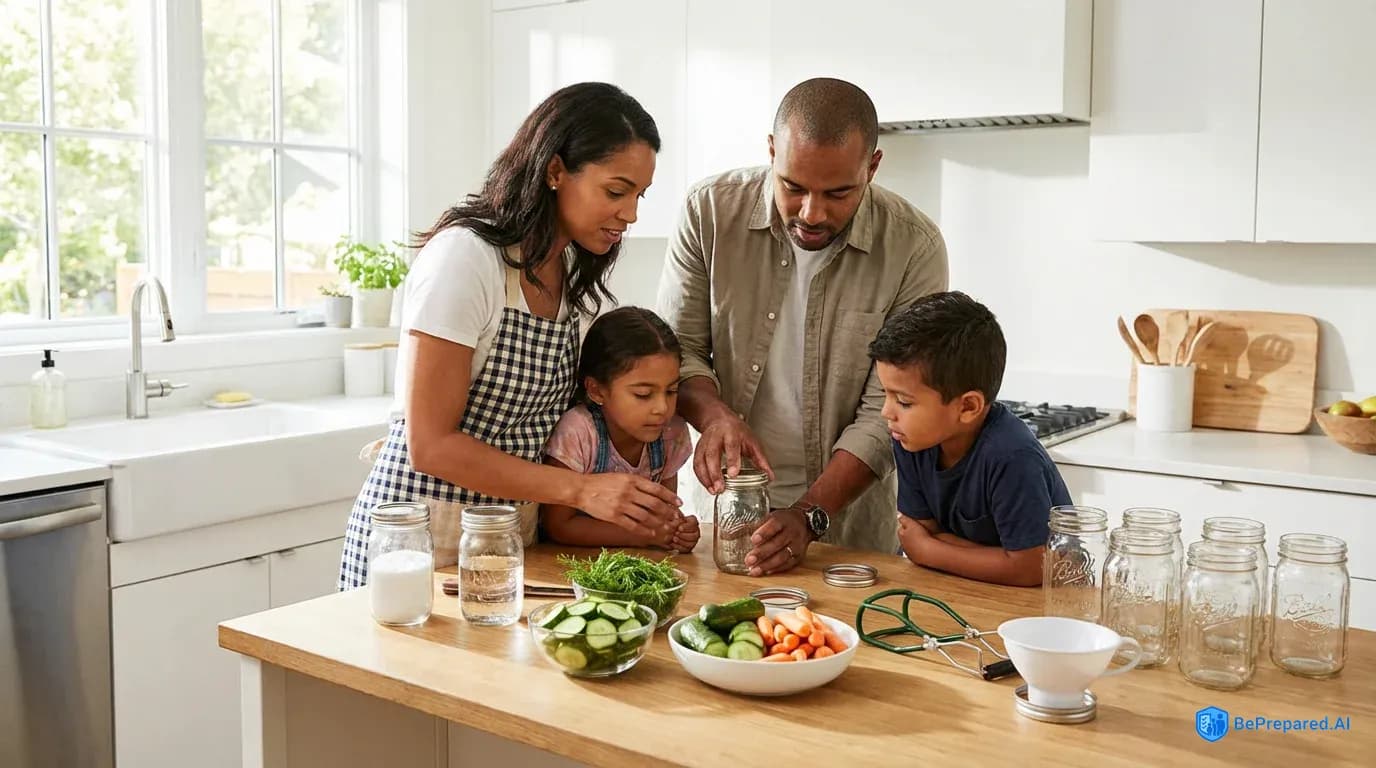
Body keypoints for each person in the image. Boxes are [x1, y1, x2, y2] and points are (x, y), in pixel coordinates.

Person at [338, 82, 682, 589]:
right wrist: (582, 491)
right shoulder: (466, 259)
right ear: (555, 171)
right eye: (615, 191)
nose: (630, 214)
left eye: (639, 196)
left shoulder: (567, 269)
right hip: (423, 539)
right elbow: (430, 446)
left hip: (510, 538)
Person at [657, 77, 948, 575]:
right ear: (772, 151)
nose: (812, 213)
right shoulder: (708, 212)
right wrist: (716, 417)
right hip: (721, 514)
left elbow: (890, 406)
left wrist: (809, 514)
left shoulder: (914, 248)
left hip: (849, 533)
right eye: (792, 186)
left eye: (838, 193)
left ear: (872, 166)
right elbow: (676, 349)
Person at [869, 291, 1071, 587]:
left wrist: (929, 550)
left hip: (1041, 603)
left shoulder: (1011, 457)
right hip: (965, 589)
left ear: (967, 407)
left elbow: (1032, 568)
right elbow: (915, 530)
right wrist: (997, 557)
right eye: (885, 394)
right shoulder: (911, 439)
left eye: (904, 401)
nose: (887, 412)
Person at [540, 307, 700, 551]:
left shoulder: (671, 433)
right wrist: (640, 536)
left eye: (671, 391)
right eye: (643, 394)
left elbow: (664, 514)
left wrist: (678, 531)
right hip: (570, 565)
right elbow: (559, 526)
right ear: (596, 390)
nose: (662, 408)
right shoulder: (579, 432)